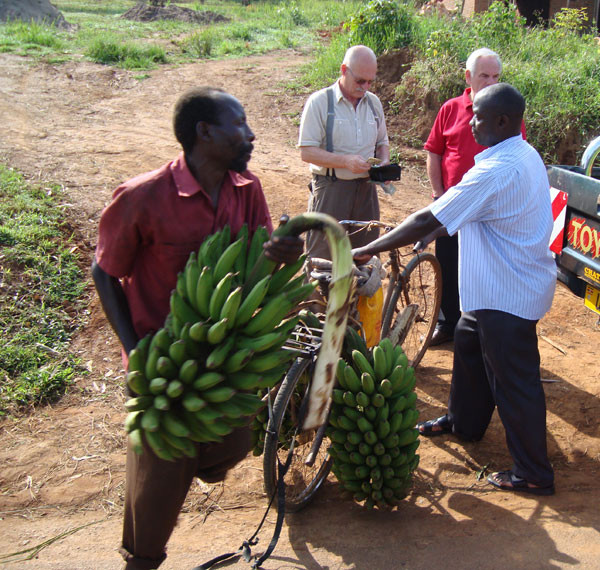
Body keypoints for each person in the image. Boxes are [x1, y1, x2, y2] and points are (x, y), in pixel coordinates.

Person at [91, 87, 303, 570]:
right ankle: (141, 559)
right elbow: (105, 270)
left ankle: (200, 466)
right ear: (204, 132)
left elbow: (257, 259)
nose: (251, 134)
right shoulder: (145, 196)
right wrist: (133, 351)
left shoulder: (247, 190)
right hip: (163, 363)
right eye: (240, 124)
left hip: (225, 355)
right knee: (157, 489)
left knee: (231, 445)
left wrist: (278, 254)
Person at [353, 83, 556, 495]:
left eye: (478, 116)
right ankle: (463, 423)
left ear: (502, 121)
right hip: (493, 289)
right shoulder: (520, 153)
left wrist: (368, 248)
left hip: (508, 295)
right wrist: (434, 230)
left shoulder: (497, 169)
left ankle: (533, 473)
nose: (470, 122)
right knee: (466, 345)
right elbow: (465, 212)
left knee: (515, 384)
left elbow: (430, 217)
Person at [423, 48, 526, 346]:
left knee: (485, 270)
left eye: (496, 76)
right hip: (453, 205)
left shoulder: (506, 114)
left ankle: (482, 329)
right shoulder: (450, 109)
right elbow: (434, 152)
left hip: (490, 213)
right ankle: (447, 323)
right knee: (447, 265)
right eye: (484, 75)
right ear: (468, 77)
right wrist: (439, 196)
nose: (491, 81)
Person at [297, 44, 390, 259]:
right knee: (323, 260)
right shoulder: (320, 102)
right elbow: (307, 152)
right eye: (360, 81)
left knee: (365, 257)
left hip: (366, 191)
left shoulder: (374, 103)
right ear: (343, 70)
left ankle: (358, 294)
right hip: (331, 190)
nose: (365, 86)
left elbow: (382, 141)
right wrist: (345, 162)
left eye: (370, 81)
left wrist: (384, 161)